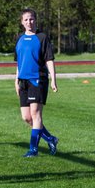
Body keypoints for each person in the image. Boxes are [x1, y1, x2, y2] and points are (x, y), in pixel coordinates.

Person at [14, 8, 59, 157]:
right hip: (23, 81)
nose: (29, 22)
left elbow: (49, 59)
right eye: (26, 19)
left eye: (31, 19)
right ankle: (51, 138)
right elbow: (19, 63)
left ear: (36, 20)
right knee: (26, 117)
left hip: (38, 80)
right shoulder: (20, 39)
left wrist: (53, 79)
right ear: (22, 22)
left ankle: (33, 149)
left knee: (35, 114)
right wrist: (16, 80)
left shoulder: (42, 37)